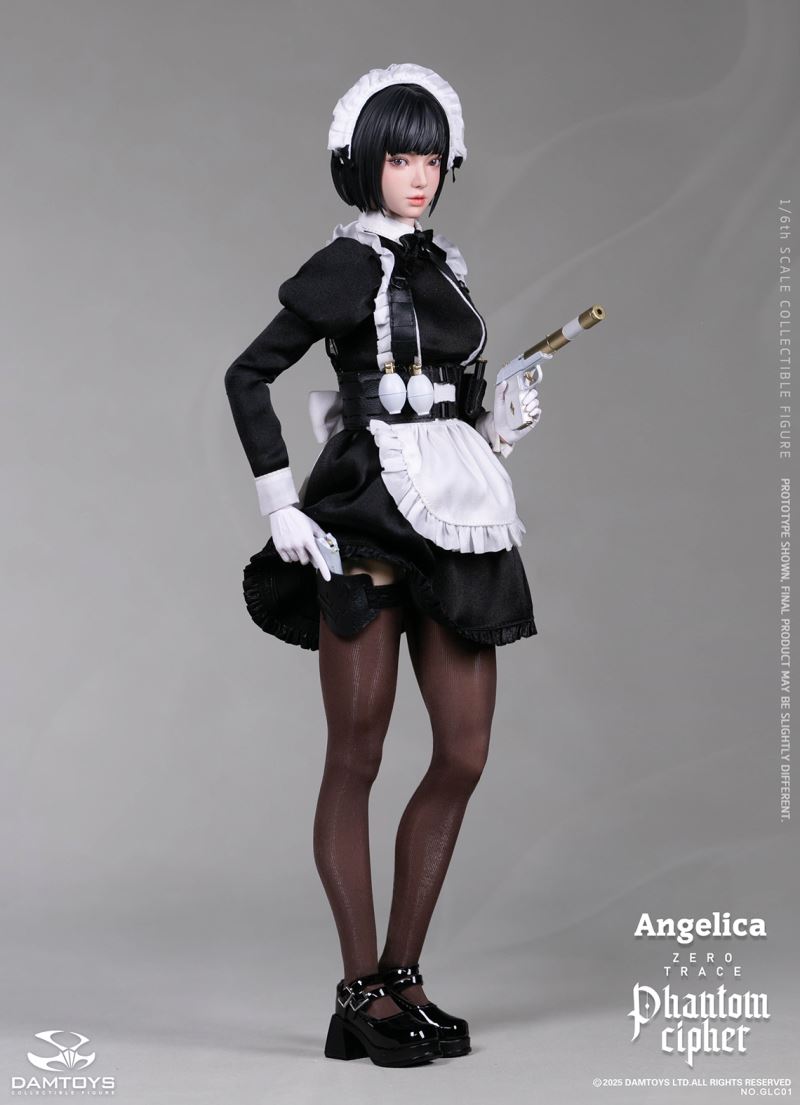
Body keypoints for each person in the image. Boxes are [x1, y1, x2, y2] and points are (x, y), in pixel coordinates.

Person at [224, 62, 542, 1067]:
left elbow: (450, 396)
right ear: (362, 163)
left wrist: (497, 421)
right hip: (363, 514)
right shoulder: (346, 264)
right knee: (354, 757)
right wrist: (279, 499)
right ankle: (356, 989)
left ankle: (402, 975)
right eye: (398, 158)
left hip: (450, 511)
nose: (417, 175)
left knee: (463, 753)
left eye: (429, 159)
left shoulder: (446, 265)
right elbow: (248, 374)